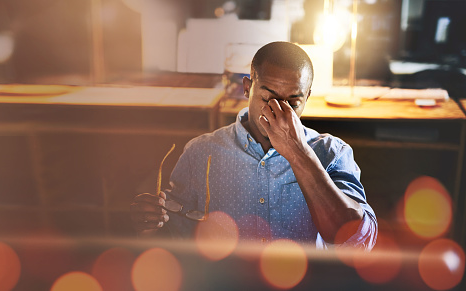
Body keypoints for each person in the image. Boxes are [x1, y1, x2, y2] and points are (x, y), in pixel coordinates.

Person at [130, 41, 377, 249]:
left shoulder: (333, 153)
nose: (278, 111)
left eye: (293, 102)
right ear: (247, 88)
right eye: (268, 97)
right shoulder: (201, 152)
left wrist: (297, 152)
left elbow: (358, 242)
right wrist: (151, 222)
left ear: (307, 97)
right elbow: (176, 239)